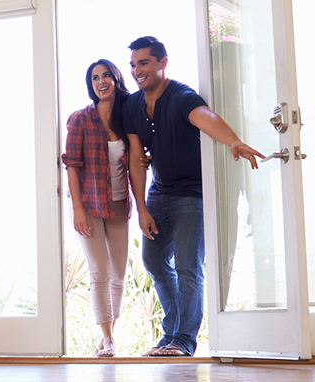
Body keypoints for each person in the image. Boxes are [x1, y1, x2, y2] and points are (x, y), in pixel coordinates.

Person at [121, 36, 263, 357]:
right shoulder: (132, 105)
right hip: (159, 192)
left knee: (188, 267)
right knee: (154, 261)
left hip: (192, 195)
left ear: (162, 63)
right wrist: (141, 208)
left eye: (144, 62)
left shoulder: (180, 95)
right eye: (133, 65)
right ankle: (171, 333)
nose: (137, 70)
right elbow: (135, 158)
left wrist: (234, 141)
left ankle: (183, 341)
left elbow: (205, 117)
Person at [62, 59, 149, 357]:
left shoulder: (127, 118)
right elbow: (71, 166)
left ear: (115, 79)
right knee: (99, 271)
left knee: (118, 274)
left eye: (106, 75)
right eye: (95, 77)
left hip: (118, 204)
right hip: (88, 204)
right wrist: (77, 209)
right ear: (91, 84)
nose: (101, 81)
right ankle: (108, 337)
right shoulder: (79, 119)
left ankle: (107, 334)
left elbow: (137, 160)